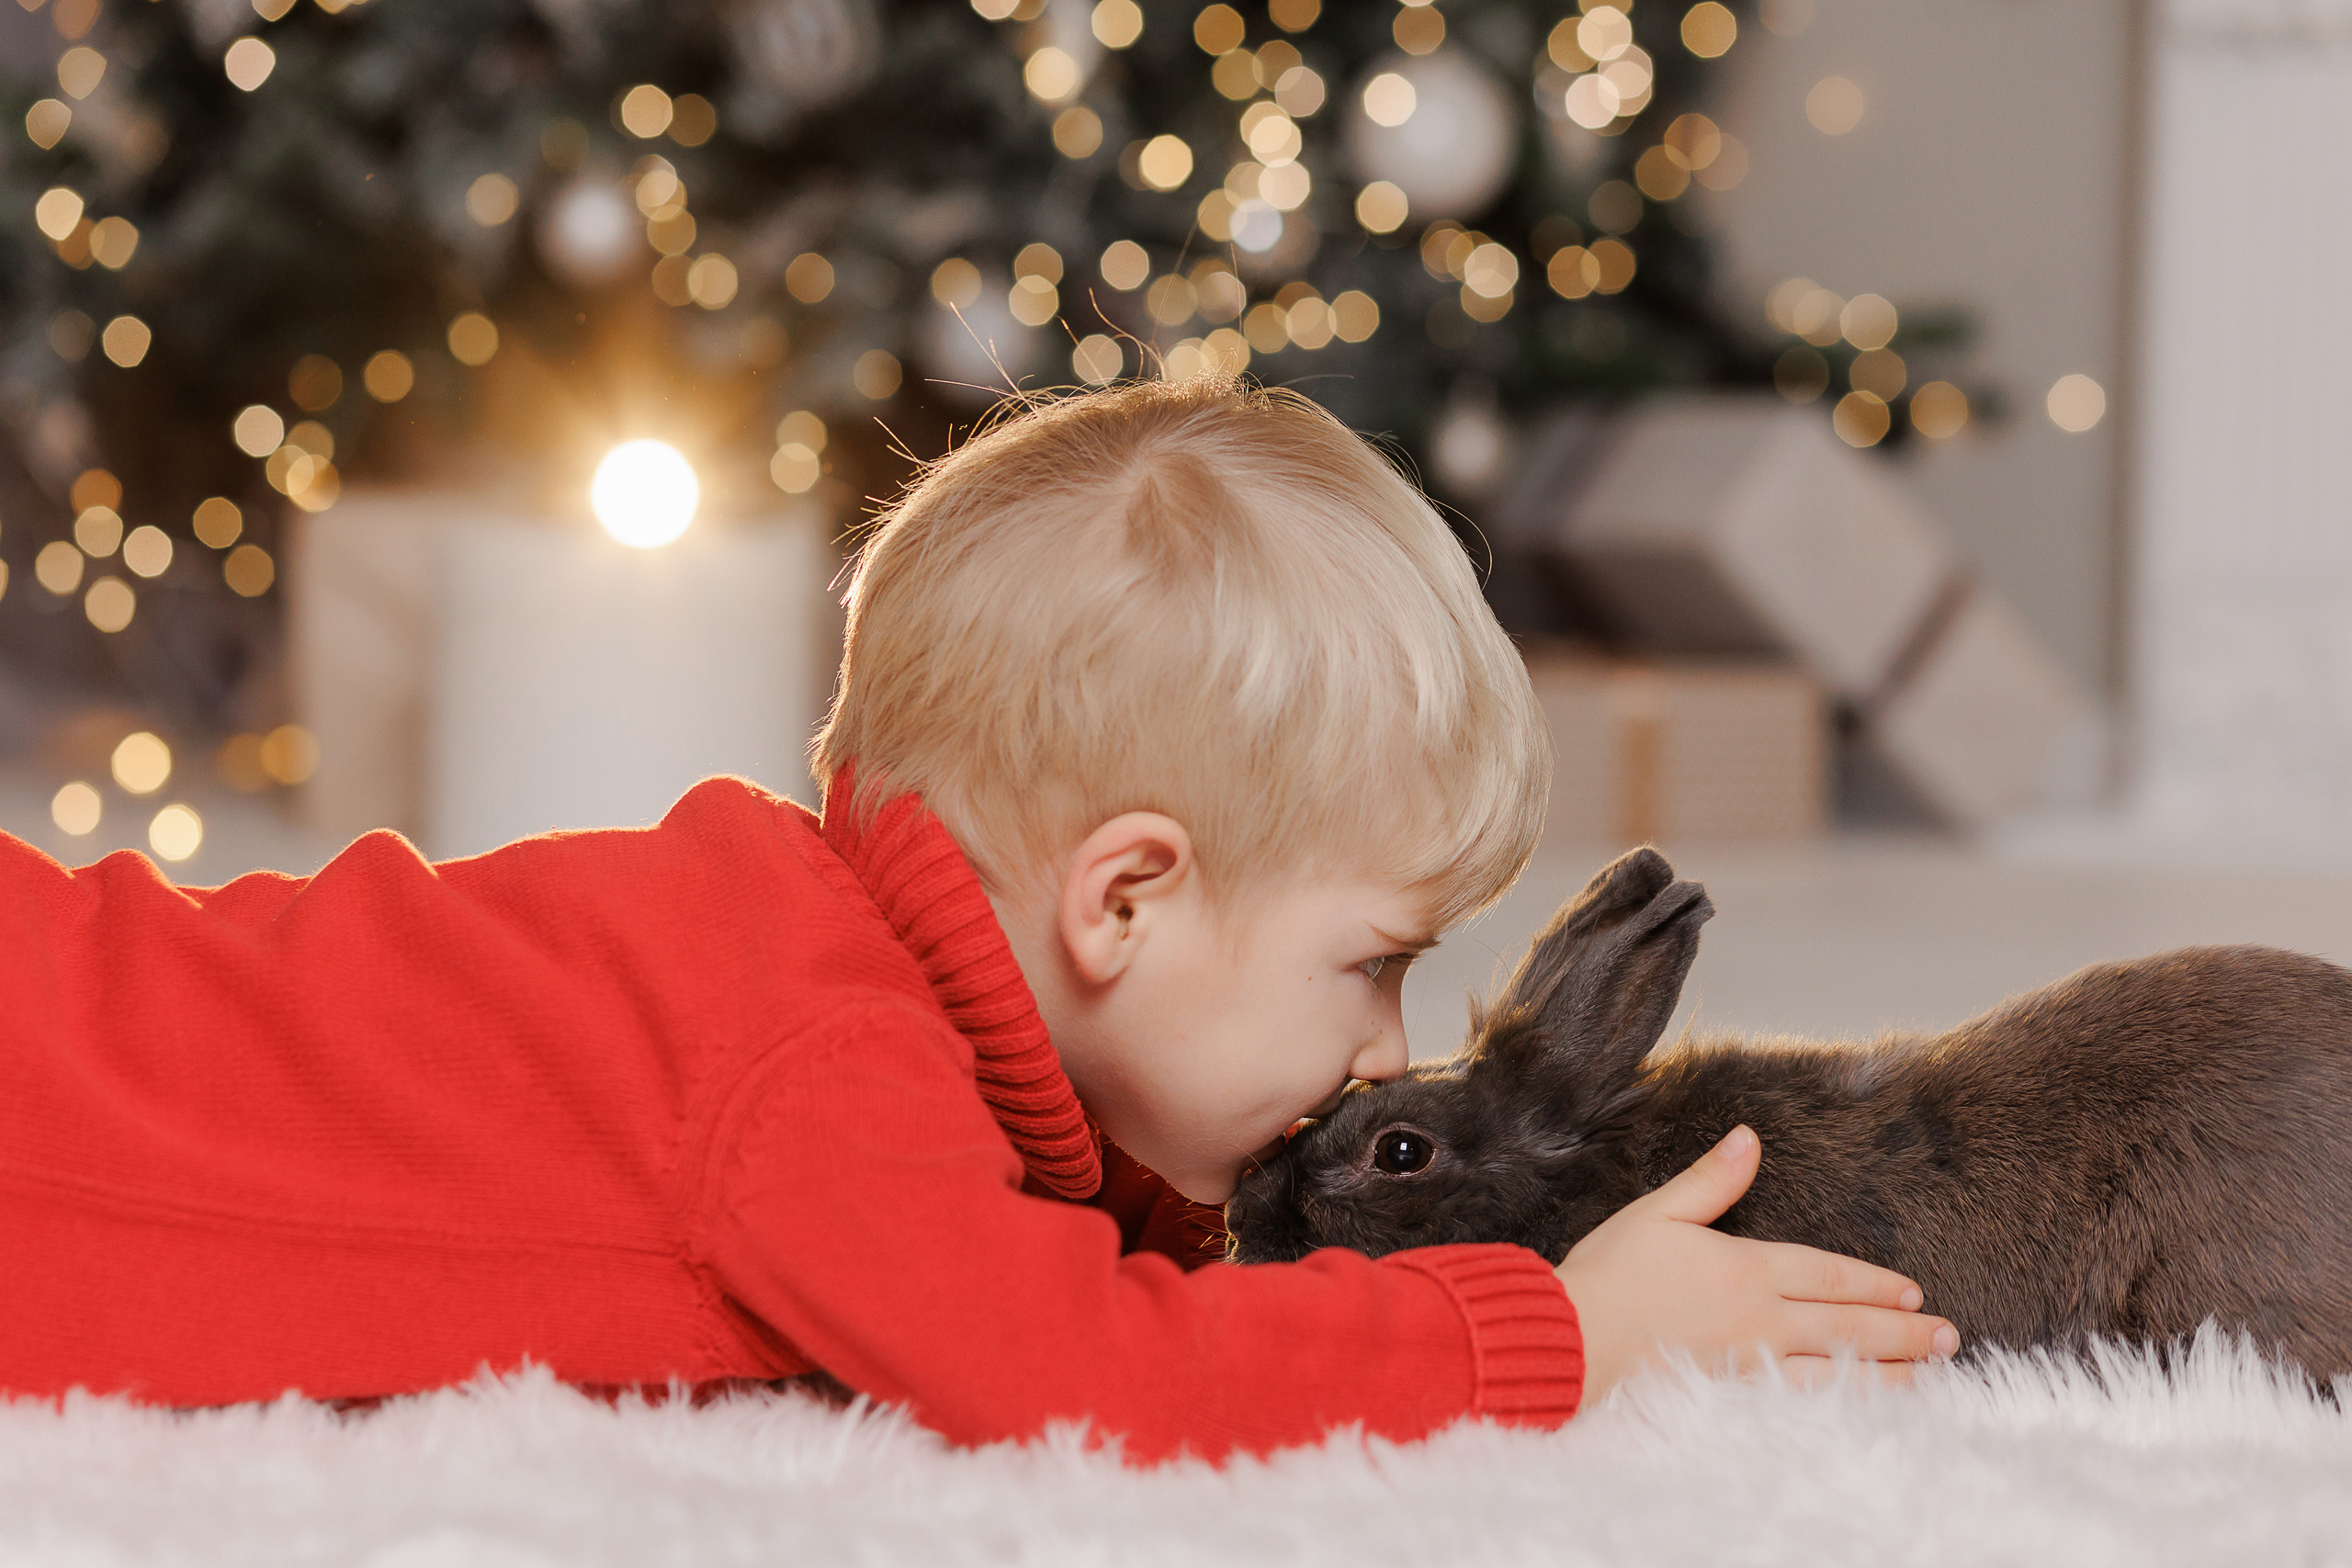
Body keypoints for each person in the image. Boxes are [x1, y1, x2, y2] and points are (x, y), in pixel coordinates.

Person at [0, 378, 1955, 1461]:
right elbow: (1090, 1375)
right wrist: (1545, 1330)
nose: (1383, 1043)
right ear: (1120, 894)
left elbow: (1081, 1215)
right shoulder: (814, 1056)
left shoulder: (843, 970)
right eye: (1370, 958)